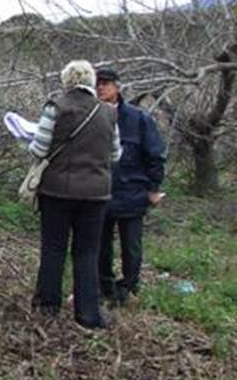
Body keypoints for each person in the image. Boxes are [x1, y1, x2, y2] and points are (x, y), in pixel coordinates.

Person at [28, 60, 121, 329]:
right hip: (96, 194)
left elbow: (39, 149)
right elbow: (115, 154)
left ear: (66, 81)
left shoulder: (55, 107)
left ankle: (47, 307)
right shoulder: (108, 113)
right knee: (87, 252)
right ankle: (88, 314)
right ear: (91, 81)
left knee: (53, 248)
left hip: (56, 191)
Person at [95, 67, 167, 305]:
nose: (101, 87)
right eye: (97, 83)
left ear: (117, 86)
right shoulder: (90, 116)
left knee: (131, 246)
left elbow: (155, 154)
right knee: (100, 244)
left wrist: (154, 188)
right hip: (99, 192)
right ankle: (104, 285)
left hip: (132, 192)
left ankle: (128, 288)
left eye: (106, 83)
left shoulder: (139, 118)